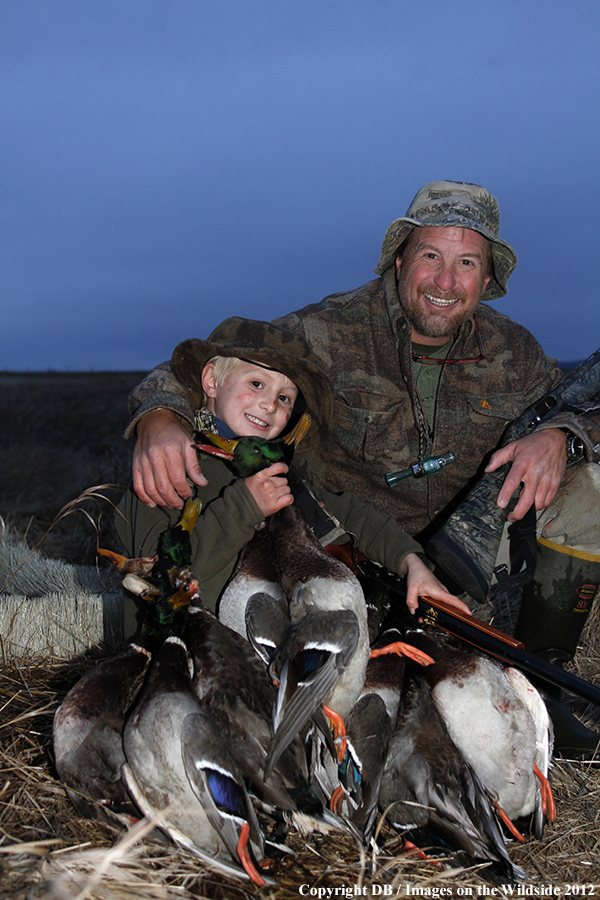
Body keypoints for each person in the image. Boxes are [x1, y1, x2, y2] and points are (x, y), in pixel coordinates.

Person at [121, 181, 600, 759]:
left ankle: (543, 683)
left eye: (466, 262)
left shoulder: (515, 353)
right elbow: (225, 362)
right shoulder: (328, 330)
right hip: (352, 558)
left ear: (487, 277)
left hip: (467, 564)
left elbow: (579, 404)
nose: (446, 282)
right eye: (431, 256)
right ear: (400, 260)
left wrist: (559, 436)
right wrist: (159, 420)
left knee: (591, 483)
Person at [116, 316, 468, 618]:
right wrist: (245, 508)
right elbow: (156, 587)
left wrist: (412, 562)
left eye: (285, 398)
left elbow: (355, 516)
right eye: (256, 384)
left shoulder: (277, 469)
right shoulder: (168, 468)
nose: (269, 404)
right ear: (211, 381)